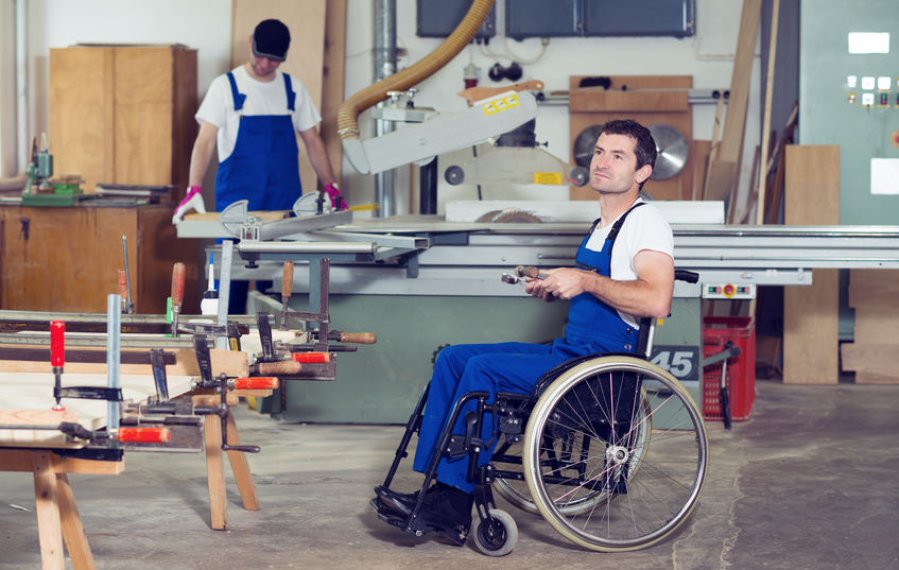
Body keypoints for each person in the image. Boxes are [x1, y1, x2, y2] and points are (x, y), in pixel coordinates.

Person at [372, 119, 675, 543]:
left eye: (617, 155)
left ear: (642, 172)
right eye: (600, 152)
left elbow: (656, 300)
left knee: (483, 370)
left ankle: (453, 501)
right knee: (452, 357)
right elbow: (605, 292)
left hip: (600, 370)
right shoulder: (604, 223)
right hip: (571, 352)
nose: (602, 162)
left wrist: (584, 281)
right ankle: (437, 486)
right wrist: (559, 284)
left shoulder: (646, 224)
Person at [182, 18, 345, 312]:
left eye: (273, 59)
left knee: (280, 298)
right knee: (228, 292)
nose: (265, 64)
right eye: (260, 55)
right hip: (235, 212)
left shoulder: (292, 89)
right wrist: (193, 186)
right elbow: (204, 141)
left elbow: (313, 141)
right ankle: (225, 354)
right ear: (250, 42)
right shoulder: (226, 87)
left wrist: (331, 185)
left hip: (282, 214)